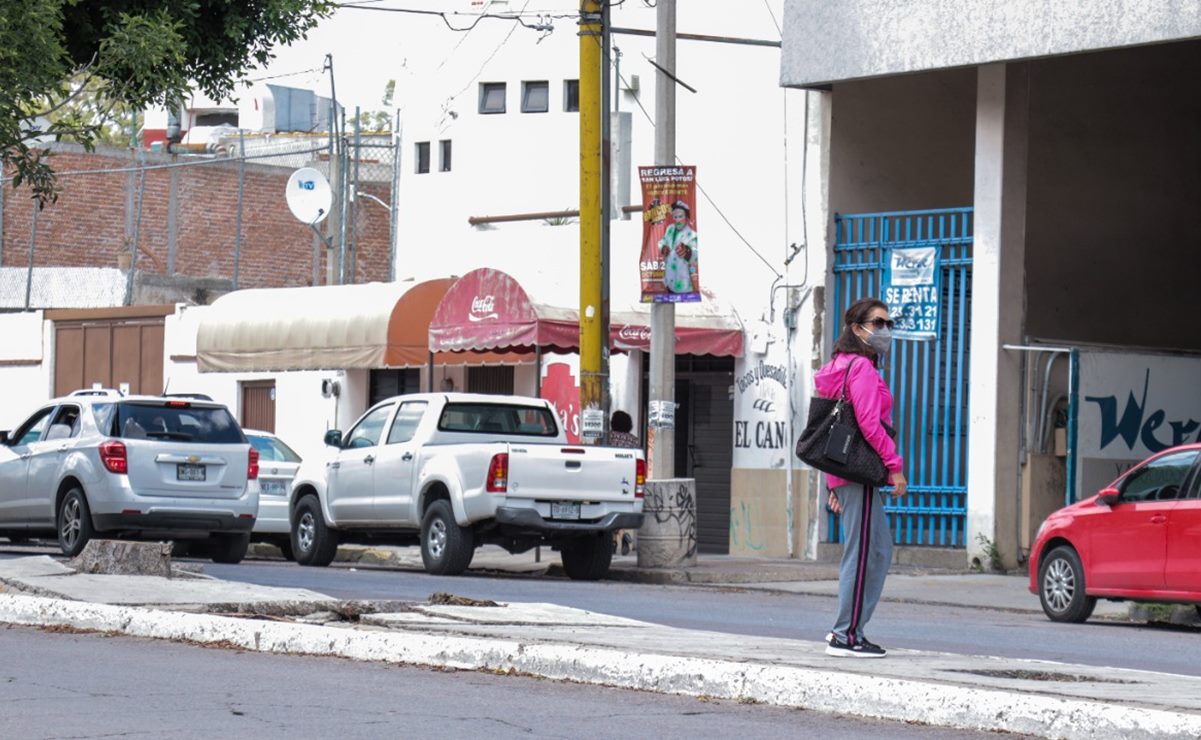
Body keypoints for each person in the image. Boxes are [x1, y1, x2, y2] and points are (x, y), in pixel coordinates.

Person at [814, 297, 907, 659]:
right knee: (863, 552)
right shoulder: (861, 369)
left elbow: (834, 429)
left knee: (878, 550)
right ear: (857, 328)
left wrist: (832, 481)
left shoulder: (844, 366)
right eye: (877, 323)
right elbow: (868, 423)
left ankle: (851, 629)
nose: (885, 330)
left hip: (849, 474)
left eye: (888, 323)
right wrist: (894, 466)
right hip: (862, 473)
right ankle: (845, 634)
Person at [608, 410, 640, 556]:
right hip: (628, 479)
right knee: (621, 509)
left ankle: (617, 538)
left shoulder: (609, 437)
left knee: (610, 510)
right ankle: (620, 537)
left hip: (611, 476)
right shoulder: (634, 440)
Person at [657, 200, 698, 294]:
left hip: (683, 283)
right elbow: (662, 241)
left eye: (680, 216)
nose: (678, 220)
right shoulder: (670, 229)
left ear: (686, 217)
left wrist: (688, 252)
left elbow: (696, 256)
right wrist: (663, 247)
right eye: (675, 217)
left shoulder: (692, 235)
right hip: (668, 280)